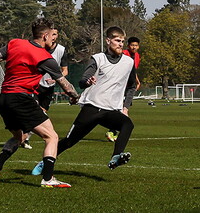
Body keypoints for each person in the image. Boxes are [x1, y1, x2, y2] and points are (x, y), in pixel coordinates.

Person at [0, 18, 80, 188]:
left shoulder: (15, 43)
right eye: (52, 35)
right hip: (21, 99)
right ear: (44, 36)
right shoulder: (45, 57)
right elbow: (64, 84)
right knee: (51, 137)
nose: (54, 39)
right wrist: (75, 96)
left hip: (4, 99)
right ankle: (48, 179)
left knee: (19, 137)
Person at [32, 26, 137, 178]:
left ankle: (116, 157)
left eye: (122, 41)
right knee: (69, 141)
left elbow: (132, 86)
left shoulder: (128, 62)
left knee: (127, 124)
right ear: (108, 41)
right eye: (117, 40)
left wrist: (126, 106)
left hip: (110, 111)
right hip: (92, 108)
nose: (120, 44)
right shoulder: (98, 59)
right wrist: (88, 81)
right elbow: (82, 82)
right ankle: (45, 162)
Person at [20, 33, 70, 149]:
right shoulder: (38, 48)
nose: (53, 37)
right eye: (51, 34)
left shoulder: (61, 50)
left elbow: (65, 71)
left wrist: (55, 79)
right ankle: (24, 137)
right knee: (35, 111)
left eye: (55, 34)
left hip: (49, 88)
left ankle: (24, 136)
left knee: (41, 112)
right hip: (35, 86)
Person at [107, 35, 141, 141]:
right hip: (119, 86)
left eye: (136, 45)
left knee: (123, 109)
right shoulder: (123, 54)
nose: (134, 47)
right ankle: (113, 131)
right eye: (132, 45)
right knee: (120, 109)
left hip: (128, 86)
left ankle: (113, 131)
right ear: (128, 46)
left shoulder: (137, 56)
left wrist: (137, 81)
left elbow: (133, 71)